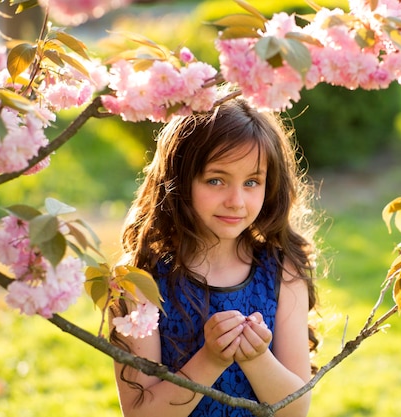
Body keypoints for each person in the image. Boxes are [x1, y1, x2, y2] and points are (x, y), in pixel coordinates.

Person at [110, 93, 321, 417]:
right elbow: (141, 413)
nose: (236, 200)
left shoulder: (283, 272)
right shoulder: (140, 282)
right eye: (216, 180)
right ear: (177, 181)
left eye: (252, 181)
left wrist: (255, 357)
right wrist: (210, 360)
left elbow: (295, 411)